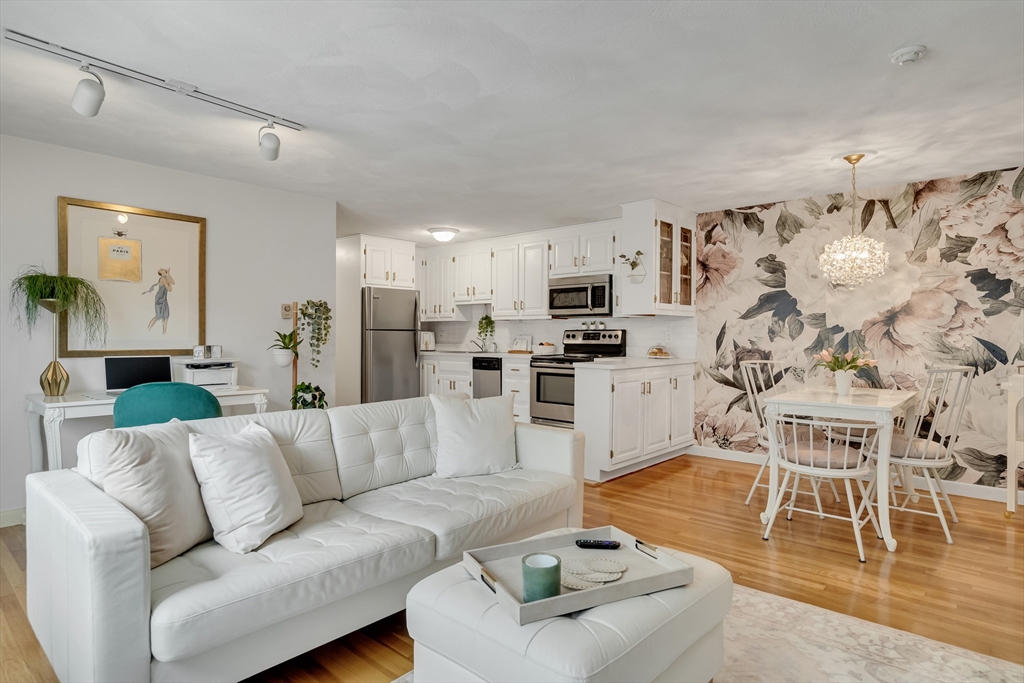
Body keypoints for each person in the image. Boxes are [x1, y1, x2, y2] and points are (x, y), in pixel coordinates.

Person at [143, 268, 174, 334]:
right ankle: (148, 329)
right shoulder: (162, 279)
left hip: (164, 299)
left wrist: (168, 274)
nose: (163, 269)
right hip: (159, 300)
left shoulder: (165, 278)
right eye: (161, 269)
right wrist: (169, 282)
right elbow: (169, 288)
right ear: (160, 272)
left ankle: (164, 333)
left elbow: (173, 283)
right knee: (158, 316)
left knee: (166, 317)